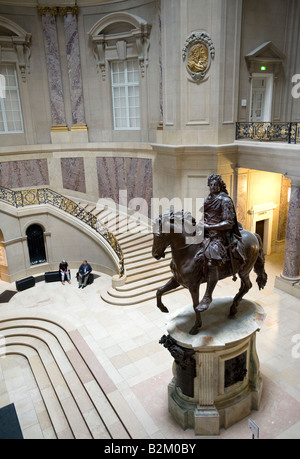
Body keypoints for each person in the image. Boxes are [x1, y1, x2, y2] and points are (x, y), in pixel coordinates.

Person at [194, 174, 245, 311]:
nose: (212, 187)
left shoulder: (225, 200)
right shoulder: (209, 198)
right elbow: (204, 214)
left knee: (212, 261)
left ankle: (207, 296)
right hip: (206, 230)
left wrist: (209, 227)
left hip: (220, 235)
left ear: (220, 185)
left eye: (215, 184)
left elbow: (228, 222)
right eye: (210, 185)